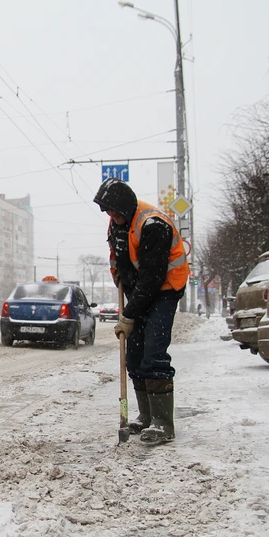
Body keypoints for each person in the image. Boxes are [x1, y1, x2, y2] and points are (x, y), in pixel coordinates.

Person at [94, 177, 189, 443]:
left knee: (154, 352)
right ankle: (145, 416)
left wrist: (128, 315)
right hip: (140, 290)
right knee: (134, 354)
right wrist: (117, 275)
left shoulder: (153, 225)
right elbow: (118, 257)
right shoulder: (117, 224)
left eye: (114, 210)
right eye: (107, 211)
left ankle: (162, 423)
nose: (111, 216)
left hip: (165, 289)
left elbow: (152, 278)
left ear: (126, 207)